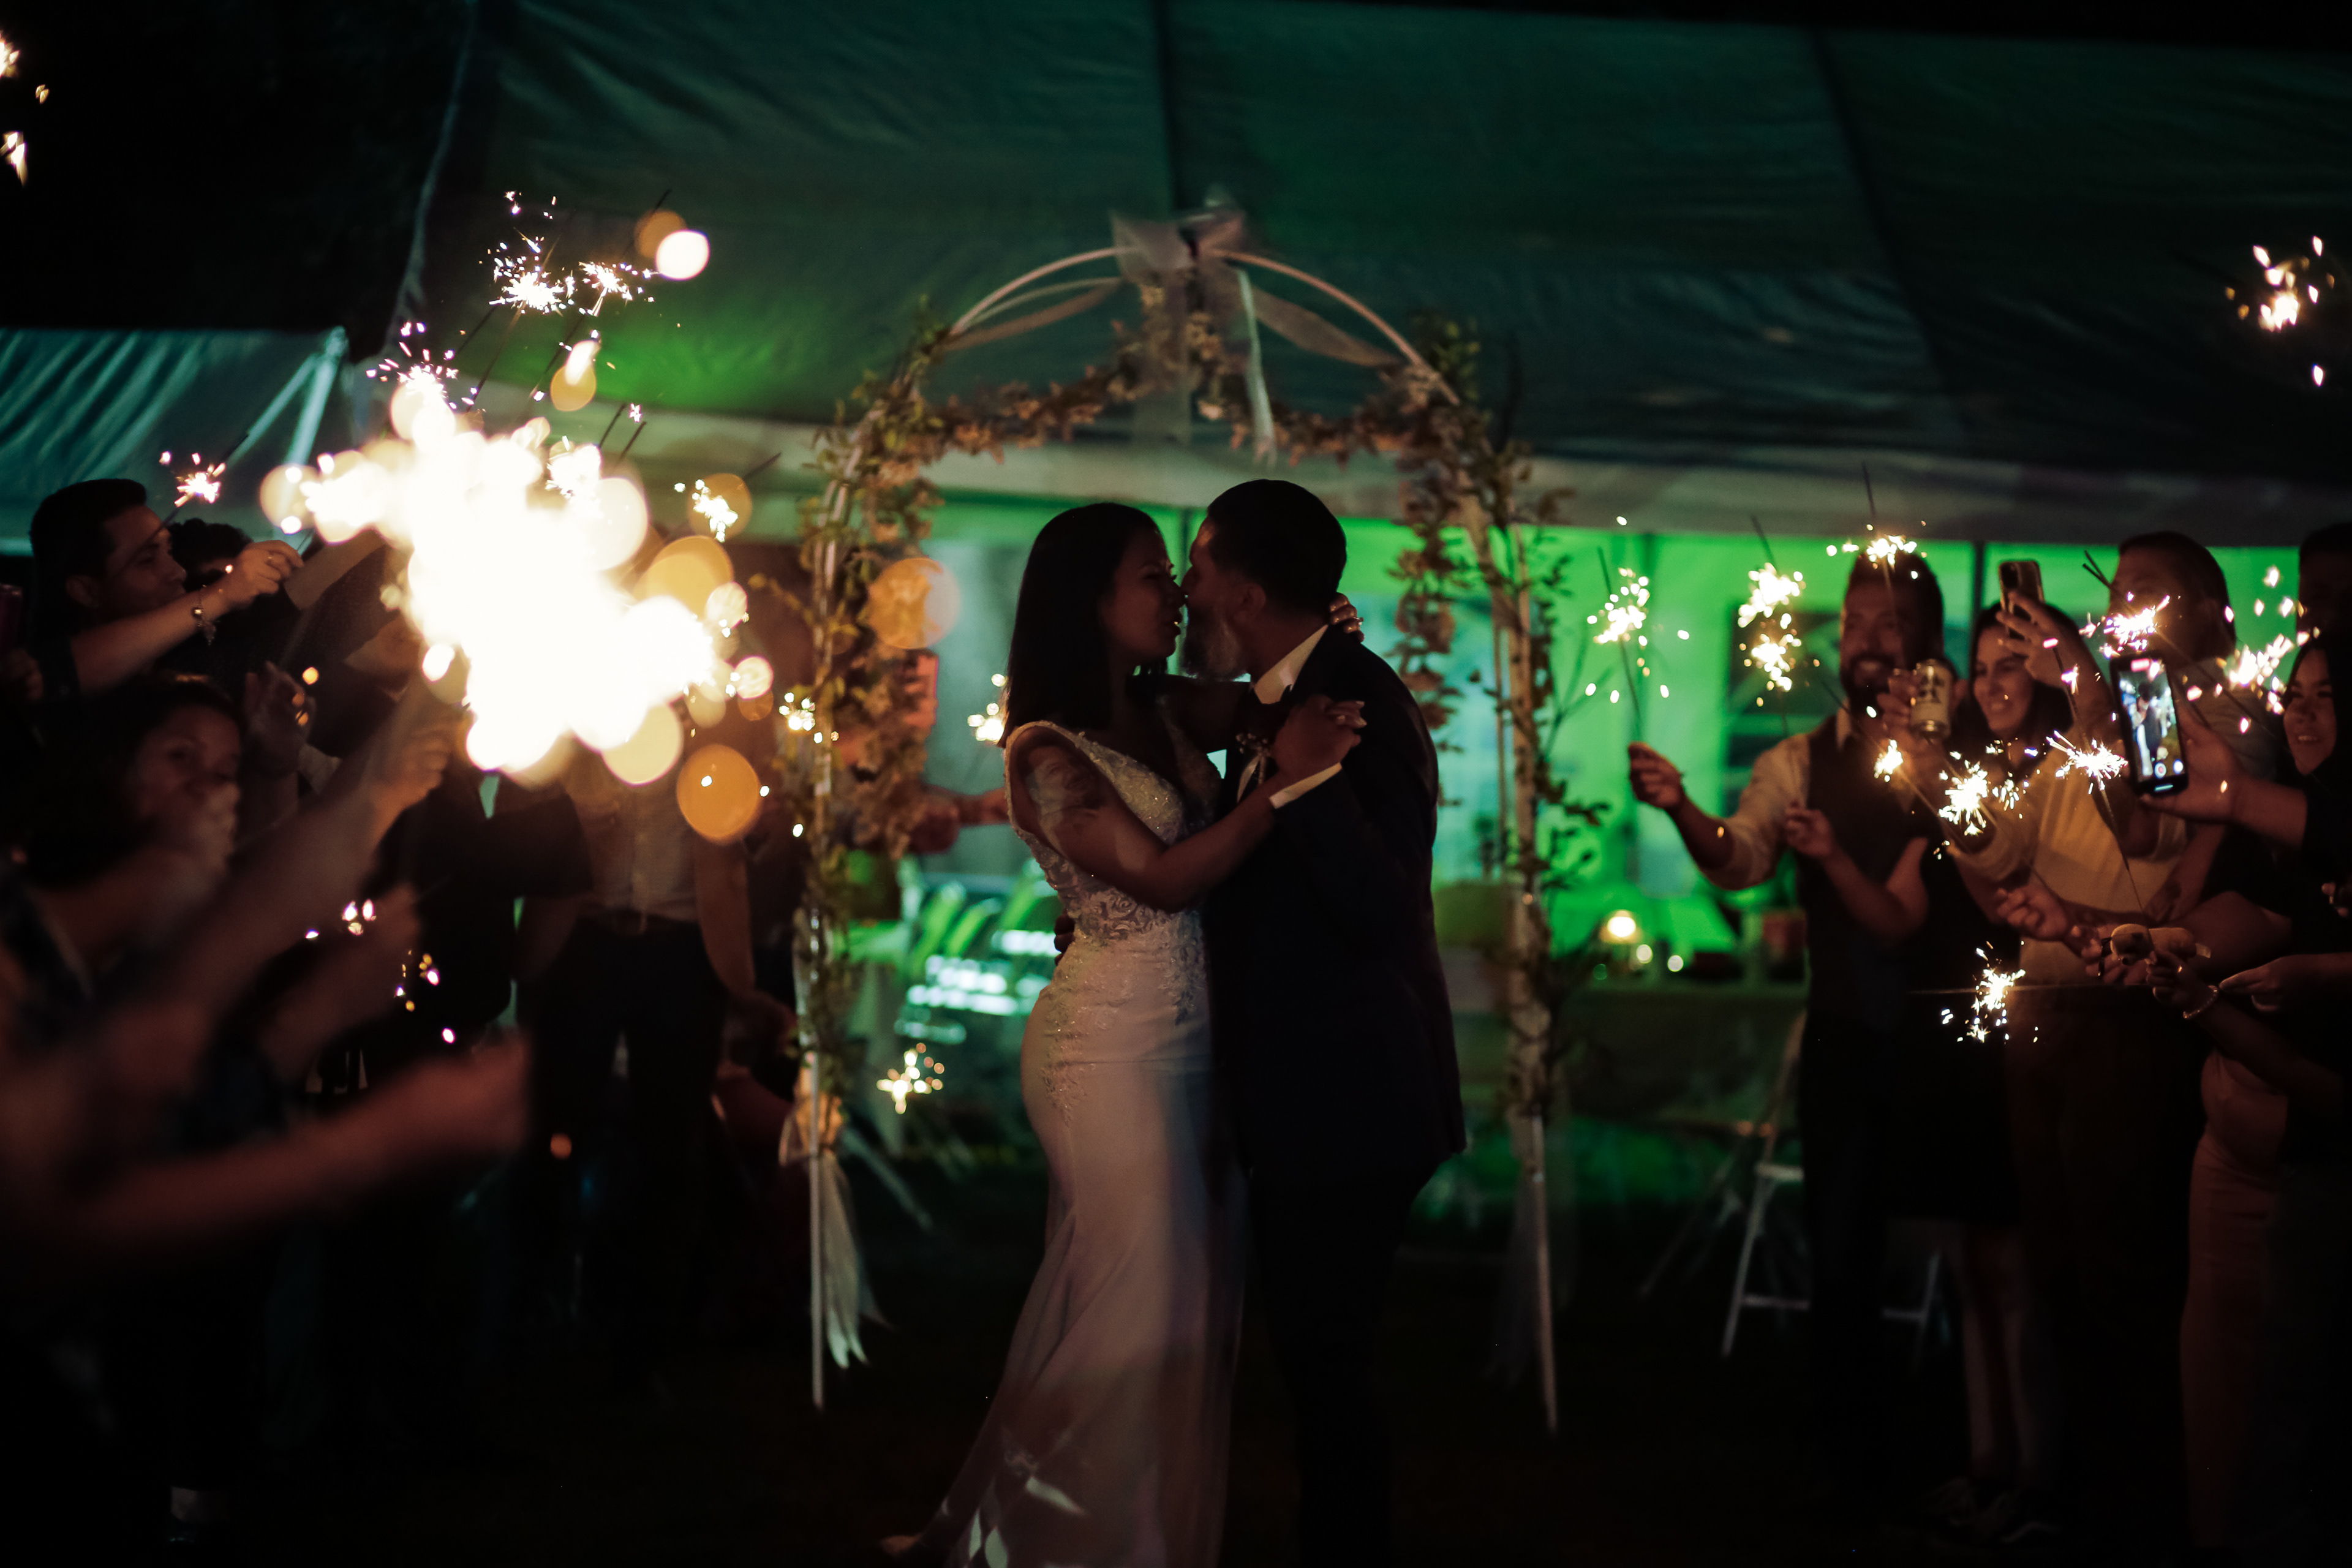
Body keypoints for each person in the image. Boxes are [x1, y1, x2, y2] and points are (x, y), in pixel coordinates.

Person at [890, 497, 1368, 1568]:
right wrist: (1283, 793)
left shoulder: (1165, 706)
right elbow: (1160, 879)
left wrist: (1321, 631)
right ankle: (1064, 1535)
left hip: (1196, 1045)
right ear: (1090, 601)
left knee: (1184, 1306)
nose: (1177, 594)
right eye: (1154, 574)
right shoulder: (1042, 752)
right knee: (1132, 1303)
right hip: (1105, 1050)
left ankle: (1134, 1533)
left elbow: (1268, 693)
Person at [1959, 535, 2277, 1550]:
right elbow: (2015, 851)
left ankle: (2146, 1514)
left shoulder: (2207, 705)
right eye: (2118, 588)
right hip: (2051, 1008)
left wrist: (2096, 689)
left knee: (2124, 1274)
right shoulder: (2096, 713)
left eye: (2147, 591)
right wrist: (1942, 787)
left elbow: (2144, 825)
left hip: (2132, 1013)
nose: (2121, 607)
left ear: (2209, 613)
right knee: (2063, 1269)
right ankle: (2085, 1499)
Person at [1629, 546, 1945, 1501]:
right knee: (1842, 1251)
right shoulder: (1799, 760)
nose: (1868, 642)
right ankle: (1852, 1464)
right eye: (1855, 623)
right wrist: (1683, 808)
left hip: (1956, 1043)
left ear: (1928, 639)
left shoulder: (1963, 751)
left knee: (1980, 1257)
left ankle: (1983, 1447)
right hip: (1847, 1033)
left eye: (1892, 624)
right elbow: (1740, 859)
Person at [25, 480, 300, 708]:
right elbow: (57, 672)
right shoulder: (48, 683)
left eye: (168, 551)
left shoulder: (198, 657)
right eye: (146, 560)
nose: (178, 572)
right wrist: (220, 595)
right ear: (86, 591)